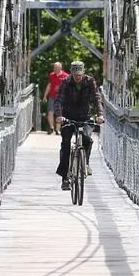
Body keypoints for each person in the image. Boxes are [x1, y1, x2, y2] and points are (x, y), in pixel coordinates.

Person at [53, 60, 104, 190]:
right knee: (65, 144)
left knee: (87, 139)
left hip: (84, 116)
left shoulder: (90, 81)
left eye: (80, 75)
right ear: (71, 74)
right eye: (75, 75)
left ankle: (85, 163)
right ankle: (65, 178)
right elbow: (59, 99)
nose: (77, 77)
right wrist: (59, 115)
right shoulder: (66, 82)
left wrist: (100, 115)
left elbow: (97, 98)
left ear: (83, 73)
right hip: (68, 117)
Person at [42, 61, 68, 134]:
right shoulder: (52, 75)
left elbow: (68, 87)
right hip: (52, 96)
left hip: (61, 98)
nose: (55, 69)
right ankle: (51, 128)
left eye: (56, 67)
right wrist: (45, 96)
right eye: (54, 67)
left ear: (60, 68)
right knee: (50, 112)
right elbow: (49, 86)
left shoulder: (66, 76)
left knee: (59, 113)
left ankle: (58, 129)